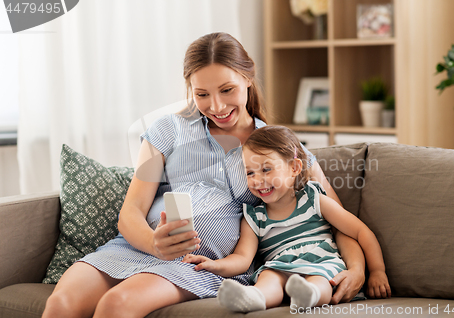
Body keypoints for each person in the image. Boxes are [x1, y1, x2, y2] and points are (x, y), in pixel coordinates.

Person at [42, 32, 365, 318]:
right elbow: (131, 212)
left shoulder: (280, 147)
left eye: (227, 90)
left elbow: (333, 216)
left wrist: (357, 269)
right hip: (133, 247)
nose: (217, 105)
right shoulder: (167, 131)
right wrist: (154, 244)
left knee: (118, 304)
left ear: (248, 79)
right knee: (61, 305)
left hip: (205, 265)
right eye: (202, 94)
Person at [182, 125, 391, 313]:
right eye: (250, 173)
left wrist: (377, 271)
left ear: (294, 168)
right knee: (269, 276)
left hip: (321, 261)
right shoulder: (254, 218)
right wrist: (214, 265)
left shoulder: (314, 199)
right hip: (281, 265)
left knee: (320, 279)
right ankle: (255, 298)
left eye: (266, 169)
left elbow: (360, 231)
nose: (257, 180)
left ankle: (310, 295)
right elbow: (242, 259)